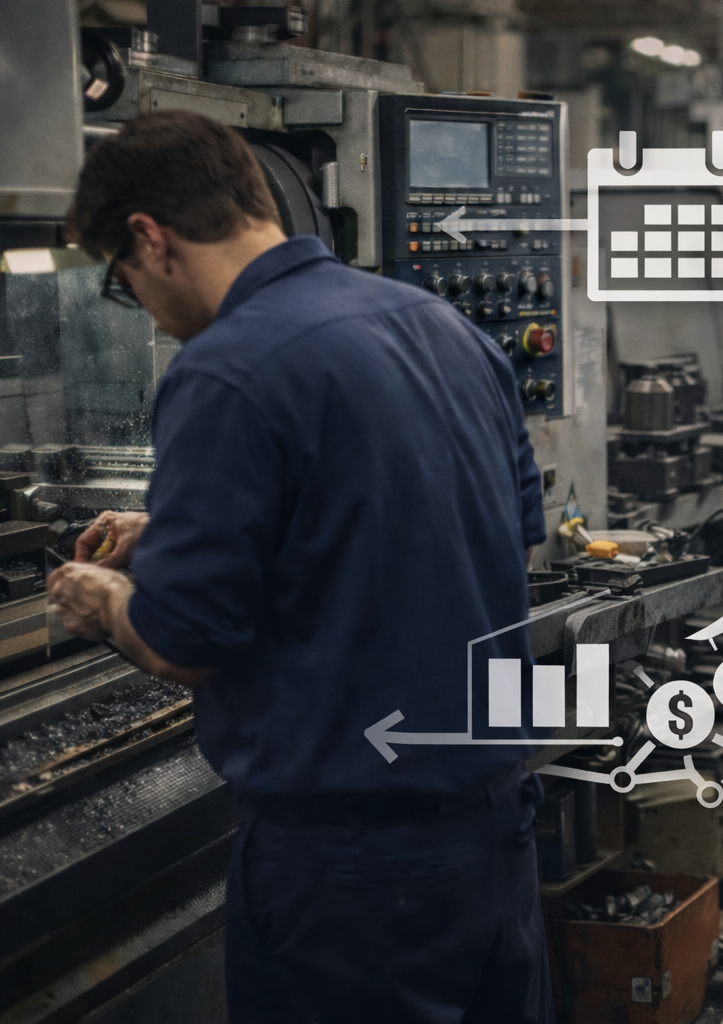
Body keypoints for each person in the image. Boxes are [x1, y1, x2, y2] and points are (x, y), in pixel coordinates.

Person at [47, 110, 554, 1023]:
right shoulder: (440, 326)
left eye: (122, 285)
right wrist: (175, 529)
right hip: (494, 836)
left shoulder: (224, 372)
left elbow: (188, 641)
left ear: (148, 240)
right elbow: (481, 536)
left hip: (348, 875)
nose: (144, 308)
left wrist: (105, 595)